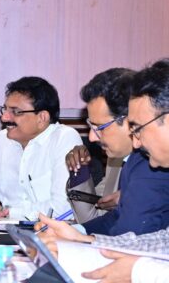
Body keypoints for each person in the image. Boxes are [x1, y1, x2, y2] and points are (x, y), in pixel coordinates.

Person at [38, 59, 169, 282]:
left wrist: (139, 270)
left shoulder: (147, 166)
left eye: (137, 128)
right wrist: (81, 238)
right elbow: (161, 242)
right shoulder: (138, 161)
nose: (136, 142)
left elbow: (137, 236)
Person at [65, 67, 169, 235]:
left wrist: (81, 238)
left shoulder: (150, 164)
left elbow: (131, 236)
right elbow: (118, 218)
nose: (91, 137)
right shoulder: (133, 160)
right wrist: (75, 232)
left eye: (99, 127)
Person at [0, 76, 82, 220]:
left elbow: (63, 209)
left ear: (42, 117)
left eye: (16, 112)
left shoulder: (64, 138)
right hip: (4, 230)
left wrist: (8, 213)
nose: (4, 118)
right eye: (5, 109)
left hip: (53, 231)